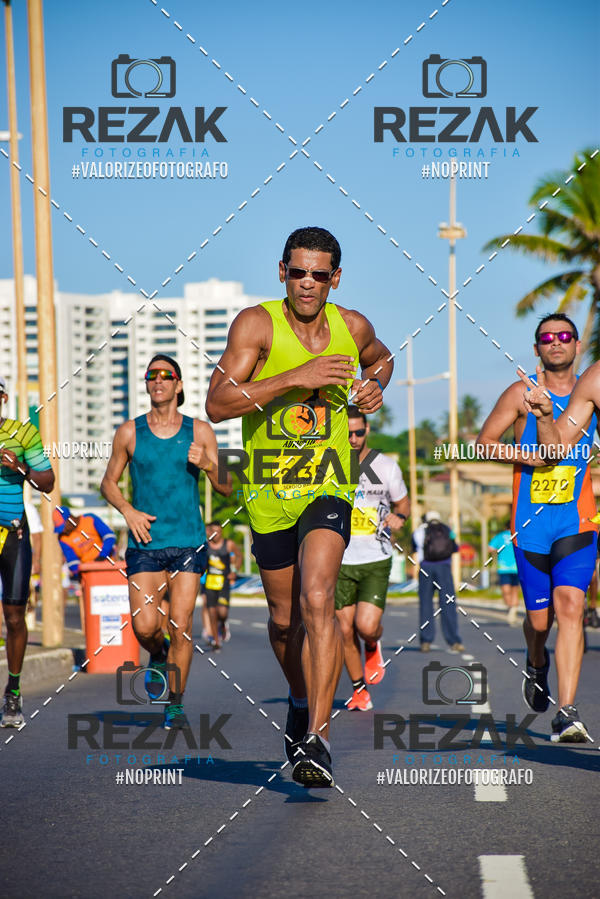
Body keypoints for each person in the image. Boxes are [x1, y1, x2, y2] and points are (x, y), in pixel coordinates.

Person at [205, 226, 393, 787]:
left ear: (335, 278)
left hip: (329, 485)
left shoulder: (351, 326)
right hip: (267, 491)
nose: (307, 284)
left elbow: (381, 360)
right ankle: (297, 696)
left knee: (319, 601)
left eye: (319, 274)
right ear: (281, 272)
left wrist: (375, 387)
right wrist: (295, 378)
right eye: (297, 272)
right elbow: (217, 405)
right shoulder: (255, 324)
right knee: (285, 621)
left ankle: (317, 738)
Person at [477, 313, 596, 742]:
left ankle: (567, 710)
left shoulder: (591, 393)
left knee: (571, 607)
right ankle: (535, 661)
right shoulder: (520, 393)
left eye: (564, 336)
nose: (556, 343)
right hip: (530, 526)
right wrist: (525, 457)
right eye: (547, 338)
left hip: (577, 521)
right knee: (539, 622)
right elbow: (483, 442)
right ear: (536, 348)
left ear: (577, 344)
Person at [101, 354, 232, 730]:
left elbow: (227, 486)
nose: (157, 380)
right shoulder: (129, 432)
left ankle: (175, 701)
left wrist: (208, 464)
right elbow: (108, 483)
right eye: (151, 375)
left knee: (182, 624)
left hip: (188, 542)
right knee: (144, 627)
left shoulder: (200, 431)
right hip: (146, 543)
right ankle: (157, 655)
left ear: (178, 386)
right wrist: (128, 510)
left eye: (166, 375)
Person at [334, 405, 409, 710]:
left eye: (359, 432)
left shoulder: (386, 466)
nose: (353, 438)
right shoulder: (329, 464)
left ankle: (372, 644)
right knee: (344, 629)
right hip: (339, 560)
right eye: (347, 433)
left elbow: (402, 504)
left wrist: (399, 518)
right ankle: (358, 689)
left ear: (367, 430)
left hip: (375, 558)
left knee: (365, 627)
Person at [0, 376, 55, 727]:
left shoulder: (22, 433)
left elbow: (47, 480)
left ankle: (13, 692)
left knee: (15, 618)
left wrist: (18, 467)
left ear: (3, 397)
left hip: (13, 535)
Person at [411, 511, 464, 653]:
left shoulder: (419, 531)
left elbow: (415, 548)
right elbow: (455, 548)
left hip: (425, 568)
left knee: (426, 604)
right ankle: (454, 641)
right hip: (444, 568)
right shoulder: (447, 529)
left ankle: (426, 641)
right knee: (448, 603)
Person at [204, 521, 242, 649]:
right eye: (213, 532)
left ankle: (223, 623)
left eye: (219, 532)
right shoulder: (206, 545)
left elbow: (239, 556)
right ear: (209, 532)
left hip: (224, 583)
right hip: (210, 583)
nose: (216, 535)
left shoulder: (228, 544)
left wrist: (235, 571)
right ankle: (216, 640)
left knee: (222, 612)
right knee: (212, 612)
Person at [488, 520, 520, 626]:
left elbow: (490, 548)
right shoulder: (518, 535)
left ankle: (511, 609)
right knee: (514, 590)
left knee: (506, 590)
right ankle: (512, 609)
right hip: (516, 567)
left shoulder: (500, 536)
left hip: (504, 567)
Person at [24, 501, 43, 631]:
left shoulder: (27, 507)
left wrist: (36, 560)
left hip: (23, 556)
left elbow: (37, 537)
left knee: (28, 593)